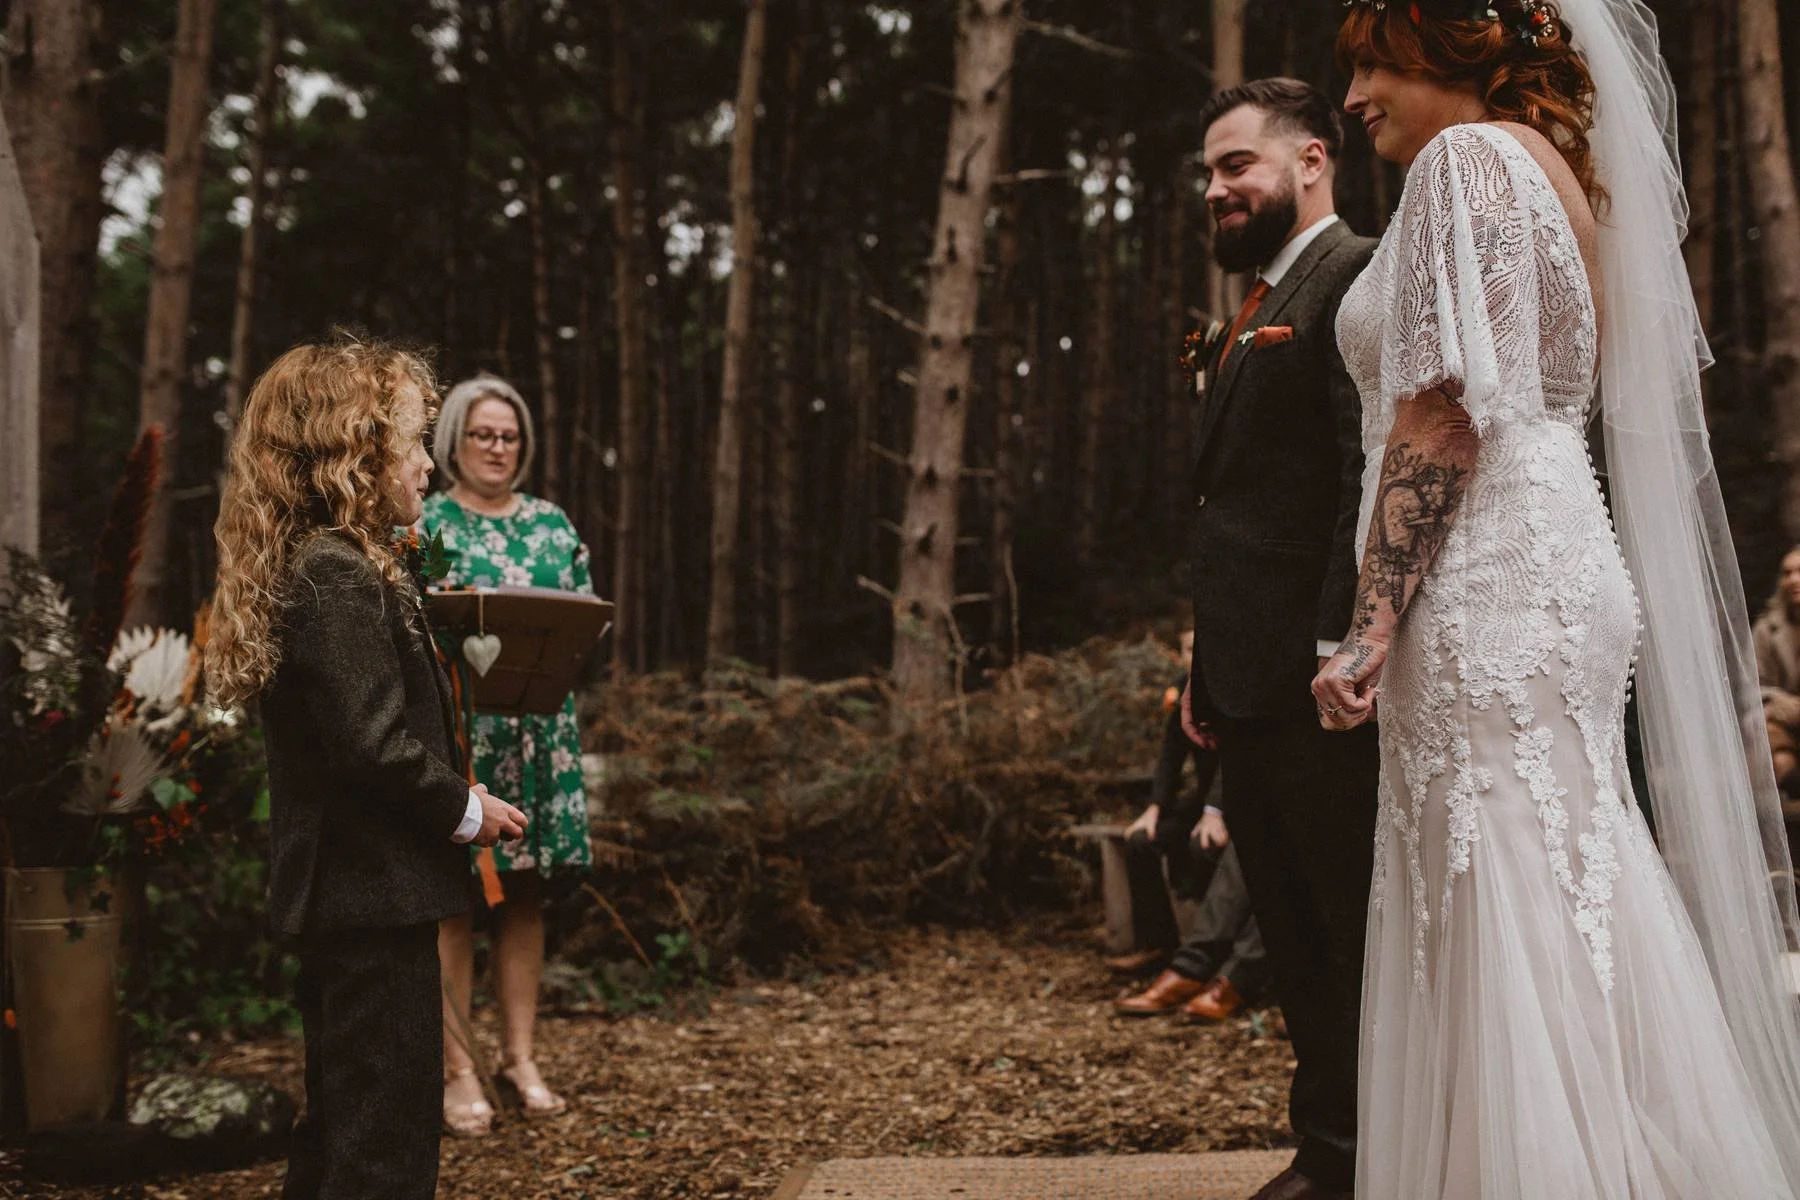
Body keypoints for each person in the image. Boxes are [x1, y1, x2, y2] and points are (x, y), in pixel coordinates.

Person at [1318, 2, 1800, 1195]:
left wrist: (1369, 622)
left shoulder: (1459, 162)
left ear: (1454, 54)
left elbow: (1440, 411)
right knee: (1567, 871)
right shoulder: (1556, 179)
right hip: (1559, 553)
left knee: (1498, 888)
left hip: (1485, 575)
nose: (1356, 93)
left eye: (1376, 61)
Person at [206, 338, 527, 1199]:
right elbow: (370, 743)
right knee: (380, 1142)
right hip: (366, 896)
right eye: (415, 442)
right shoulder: (335, 574)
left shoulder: (336, 564)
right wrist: (467, 810)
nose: (426, 464)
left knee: (347, 1120)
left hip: (362, 895)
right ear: (353, 453)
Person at [1181, 78, 1380, 1200]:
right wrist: (1205, 669)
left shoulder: (1354, 273)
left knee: (1339, 929)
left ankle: (1349, 1160)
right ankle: (1327, 1149)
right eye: (1209, 173)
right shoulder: (1256, 298)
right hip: (1246, 684)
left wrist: (1334, 643)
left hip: (1318, 683)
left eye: (1234, 166)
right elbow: (1229, 511)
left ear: (1311, 158)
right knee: (1294, 938)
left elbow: (1366, 470)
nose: (1215, 189)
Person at [423, 374, 595, 1136]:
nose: (498, 448)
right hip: (461, 740)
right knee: (454, 899)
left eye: (510, 436)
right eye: (483, 434)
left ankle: (519, 1056)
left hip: (539, 737)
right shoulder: (425, 524)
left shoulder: (554, 525)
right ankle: (457, 1068)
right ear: (453, 440)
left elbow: (589, 623)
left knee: (523, 898)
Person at [1755, 547, 1800, 790]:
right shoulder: (1767, 629)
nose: (1793, 579)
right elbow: (1751, 684)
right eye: (1787, 573)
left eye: (1799, 572)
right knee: (1762, 724)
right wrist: (1778, 701)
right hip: (1784, 726)